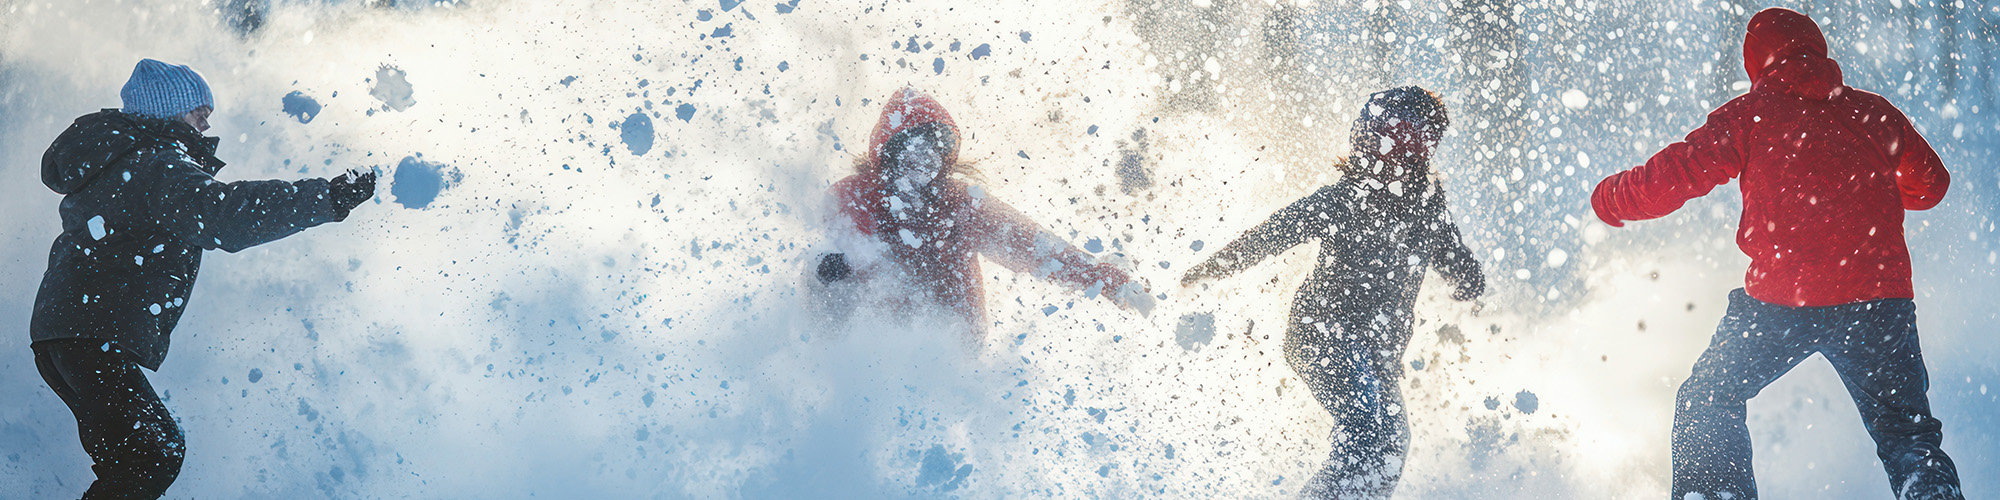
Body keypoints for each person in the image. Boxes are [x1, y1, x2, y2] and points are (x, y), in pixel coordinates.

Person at [1589, 8, 1961, 499]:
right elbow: (1932, 185)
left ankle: (1715, 493)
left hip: (1782, 303)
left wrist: (1614, 198)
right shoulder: (1873, 113)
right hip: (1878, 303)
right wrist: (1871, 190)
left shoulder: (1750, 115)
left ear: (1757, 62)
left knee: (1708, 401)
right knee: (1908, 438)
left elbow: (1678, 174)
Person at [30, 58, 376, 499]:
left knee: (141, 457)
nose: (206, 123)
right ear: (167, 110)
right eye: (198, 111)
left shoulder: (121, 158)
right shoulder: (155, 162)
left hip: (66, 334)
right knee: (153, 456)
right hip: (89, 336)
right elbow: (225, 215)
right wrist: (328, 197)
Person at [1182, 86, 1485, 499]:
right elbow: (1271, 235)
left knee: (1391, 447)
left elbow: (1456, 262)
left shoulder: (1427, 209)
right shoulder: (1345, 200)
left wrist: (1469, 280)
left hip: (1376, 352)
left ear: (1417, 149)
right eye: (1368, 138)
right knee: (1366, 430)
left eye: (1386, 140)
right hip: (1321, 334)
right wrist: (1201, 274)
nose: (1373, 152)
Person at [808, 87, 1152, 343]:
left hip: (951, 352)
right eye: (912, 149)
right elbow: (827, 258)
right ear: (887, 153)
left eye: (934, 150)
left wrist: (1101, 277)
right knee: (825, 286)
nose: (923, 161)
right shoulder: (853, 196)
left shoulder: (961, 205)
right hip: (867, 346)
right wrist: (831, 265)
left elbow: (1033, 245)